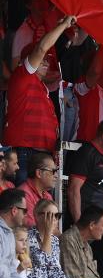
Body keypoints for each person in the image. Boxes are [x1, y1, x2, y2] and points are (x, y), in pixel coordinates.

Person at [5, 17, 74, 185]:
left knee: (39, 206)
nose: (45, 62)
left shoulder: (41, 87)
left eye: (47, 60)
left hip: (40, 154)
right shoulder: (23, 74)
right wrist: (63, 25)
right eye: (42, 59)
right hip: (25, 151)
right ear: (25, 61)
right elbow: (42, 48)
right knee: (23, 203)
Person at [0, 189, 60, 278]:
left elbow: (11, 272)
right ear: (14, 210)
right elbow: (2, 276)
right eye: (25, 210)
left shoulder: (8, 232)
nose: (26, 215)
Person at [67, 117, 103, 223]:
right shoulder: (86, 153)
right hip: (87, 221)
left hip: (100, 222)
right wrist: (79, 224)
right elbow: (73, 190)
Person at [16, 152, 56, 228]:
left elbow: (53, 227)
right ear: (39, 173)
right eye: (53, 171)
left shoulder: (47, 195)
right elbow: (33, 227)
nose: (56, 176)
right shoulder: (23, 194)